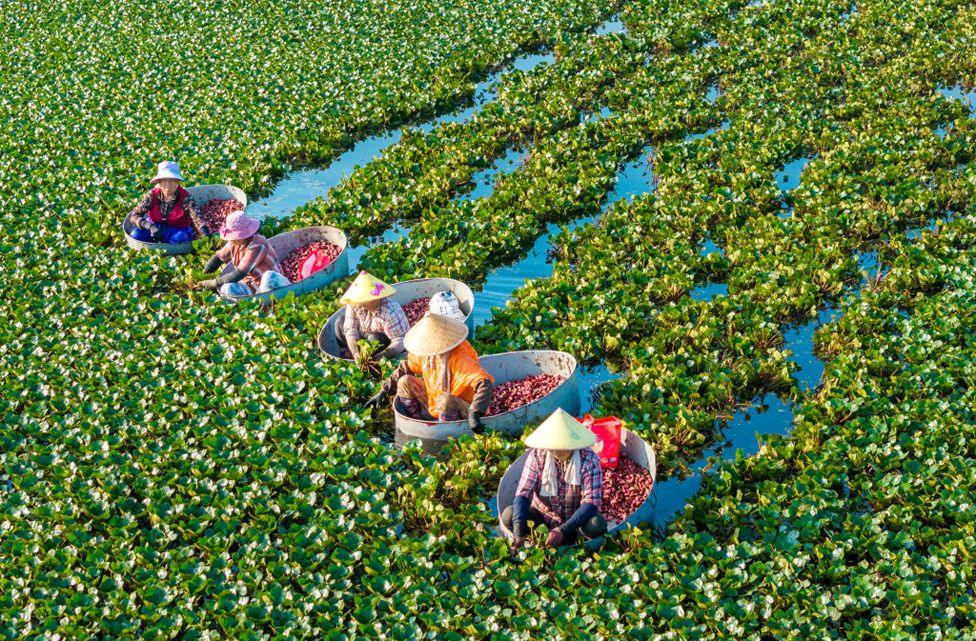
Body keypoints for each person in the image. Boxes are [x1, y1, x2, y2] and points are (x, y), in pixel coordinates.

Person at [365, 313, 493, 432]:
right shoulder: (426, 353)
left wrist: (475, 413)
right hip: (435, 401)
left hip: (462, 407)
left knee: (446, 400)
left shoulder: (459, 357)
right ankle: (422, 424)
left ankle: (443, 432)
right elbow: (406, 367)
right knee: (405, 382)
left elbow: (484, 383)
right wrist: (384, 390)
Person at [502, 408, 606, 549]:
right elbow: (523, 493)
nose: (557, 451)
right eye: (553, 447)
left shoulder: (589, 459)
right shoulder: (537, 455)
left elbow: (591, 502)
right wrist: (518, 531)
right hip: (543, 515)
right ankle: (529, 537)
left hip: (575, 517)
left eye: (563, 447)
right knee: (510, 515)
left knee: (596, 525)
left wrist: (562, 530)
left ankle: (577, 537)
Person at [193, 210, 290, 296]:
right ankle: (256, 301)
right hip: (252, 286)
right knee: (226, 288)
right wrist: (203, 275)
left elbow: (239, 273)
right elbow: (218, 258)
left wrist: (213, 283)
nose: (231, 239)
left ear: (245, 235)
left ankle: (265, 301)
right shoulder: (234, 242)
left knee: (268, 276)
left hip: (273, 284)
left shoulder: (257, 245)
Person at [127, 161, 209, 243]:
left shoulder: (185, 197)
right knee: (136, 234)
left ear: (177, 181)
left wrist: (206, 236)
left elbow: (198, 219)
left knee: (181, 238)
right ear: (159, 181)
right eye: (164, 180)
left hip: (177, 231)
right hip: (154, 228)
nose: (168, 184)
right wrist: (149, 226)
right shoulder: (152, 195)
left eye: (172, 180)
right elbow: (134, 215)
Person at [335, 271, 410, 361]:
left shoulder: (390, 312)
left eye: (362, 302)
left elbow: (400, 340)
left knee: (374, 339)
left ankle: (372, 359)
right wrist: (355, 351)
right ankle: (349, 355)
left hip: (382, 341)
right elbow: (351, 328)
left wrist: (385, 354)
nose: (358, 305)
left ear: (374, 299)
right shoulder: (355, 303)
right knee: (339, 323)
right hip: (362, 336)